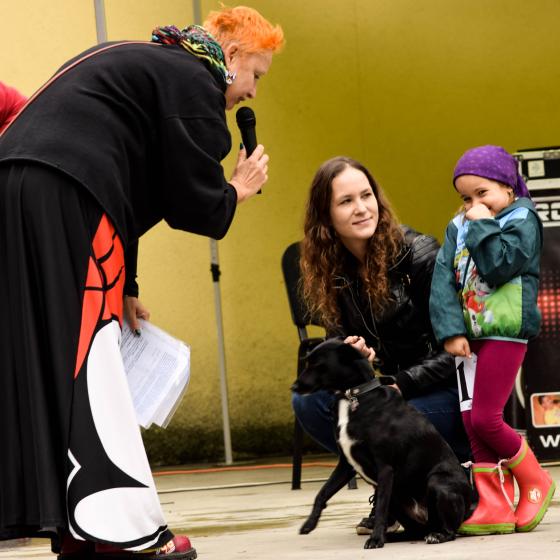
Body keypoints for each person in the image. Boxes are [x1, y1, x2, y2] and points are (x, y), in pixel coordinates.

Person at [0, 6, 283, 560]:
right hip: (66, 192)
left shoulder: (144, 61)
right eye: (256, 75)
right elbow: (195, 205)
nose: (252, 91)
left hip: (19, 187)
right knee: (91, 358)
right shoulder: (195, 80)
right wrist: (237, 189)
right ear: (230, 57)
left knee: (44, 358)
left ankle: (76, 531)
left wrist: (125, 284)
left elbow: (129, 192)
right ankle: (122, 535)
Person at [292, 155, 471, 535]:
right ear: (325, 217)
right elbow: (337, 352)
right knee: (310, 403)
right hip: (388, 395)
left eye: (366, 195)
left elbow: (459, 347)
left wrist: (401, 383)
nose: (361, 208)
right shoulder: (330, 271)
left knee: (387, 421)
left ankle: (436, 477)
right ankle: (396, 493)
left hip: (444, 390)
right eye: (346, 201)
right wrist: (356, 356)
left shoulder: (418, 254)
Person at [429, 145, 555, 535]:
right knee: (471, 421)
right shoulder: (457, 226)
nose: (474, 204)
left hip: (505, 330)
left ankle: (535, 478)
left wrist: (483, 224)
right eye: (466, 198)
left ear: (508, 188)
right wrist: (450, 331)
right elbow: (443, 280)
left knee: (487, 417)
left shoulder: (522, 219)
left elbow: (501, 266)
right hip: (469, 337)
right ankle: (494, 503)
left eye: (482, 193)